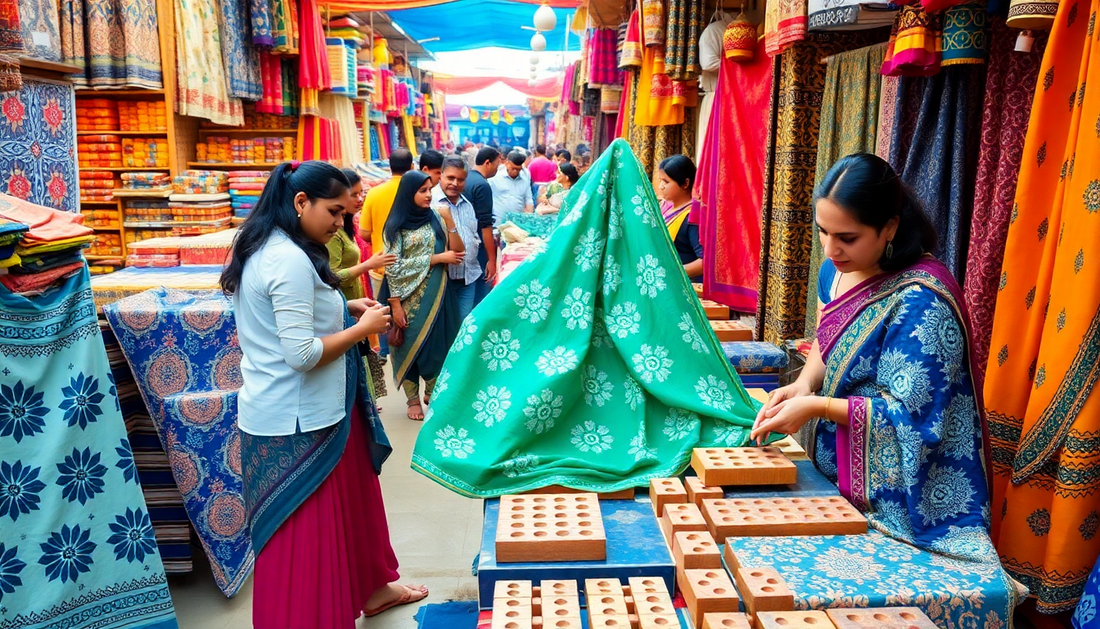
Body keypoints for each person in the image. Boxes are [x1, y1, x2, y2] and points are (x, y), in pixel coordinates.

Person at [752, 153, 996, 565]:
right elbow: (829, 339)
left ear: (889, 228)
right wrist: (805, 384)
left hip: (901, 493)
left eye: (847, 237)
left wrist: (816, 406)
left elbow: (915, 418)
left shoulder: (921, 300)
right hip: (839, 460)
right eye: (823, 232)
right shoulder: (836, 271)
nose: (831, 249)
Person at [220, 160, 427, 628]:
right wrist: (361, 329)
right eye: (334, 212)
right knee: (305, 537)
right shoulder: (288, 260)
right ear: (300, 202)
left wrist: (343, 306)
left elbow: (289, 321)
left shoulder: (274, 246)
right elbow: (302, 354)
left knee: (352, 503)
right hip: (299, 418)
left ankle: (372, 588)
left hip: (319, 409)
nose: (340, 223)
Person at [382, 170, 464, 421]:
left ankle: (431, 391)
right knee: (408, 347)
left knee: (438, 346)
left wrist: (449, 220)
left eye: (430, 189)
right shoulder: (396, 226)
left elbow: (459, 252)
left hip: (439, 296)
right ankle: (412, 400)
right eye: (422, 191)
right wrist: (395, 306)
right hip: (406, 299)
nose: (429, 195)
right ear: (409, 193)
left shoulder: (436, 218)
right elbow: (393, 267)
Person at [330, 168, 396, 401]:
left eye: (361, 193)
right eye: (354, 194)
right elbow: (333, 275)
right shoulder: (333, 233)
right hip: (343, 307)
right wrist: (369, 264)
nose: (360, 199)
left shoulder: (345, 228)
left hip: (352, 302)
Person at [360, 148, 414, 361]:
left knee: (381, 307)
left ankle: (383, 351)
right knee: (410, 307)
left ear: (389, 166)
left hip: (381, 262)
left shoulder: (374, 193)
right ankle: (409, 348)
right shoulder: (415, 191)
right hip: (411, 264)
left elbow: (364, 232)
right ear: (411, 167)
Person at [433, 157, 482, 323]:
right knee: (443, 327)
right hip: (442, 280)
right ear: (441, 176)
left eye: (460, 180)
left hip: (468, 278)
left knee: (463, 326)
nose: (455, 183)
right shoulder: (430, 202)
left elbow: (473, 234)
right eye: (450, 178)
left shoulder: (466, 204)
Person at [657, 155, 704, 282]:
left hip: (685, 285)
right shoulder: (664, 206)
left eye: (666, 182)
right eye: (660, 180)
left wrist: (672, 272)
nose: (661, 186)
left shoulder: (693, 216)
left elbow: (705, 263)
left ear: (685, 183)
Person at [466, 147, 500, 305]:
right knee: (480, 295)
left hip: (462, 245)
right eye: (497, 165)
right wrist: (492, 259)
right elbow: (485, 225)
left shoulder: (465, 179)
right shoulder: (482, 185)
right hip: (479, 248)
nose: (497, 169)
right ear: (488, 163)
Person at [489, 151, 534, 224]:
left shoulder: (525, 175)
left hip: (518, 222)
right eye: (513, 168)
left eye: (518, 169)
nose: (515, 171)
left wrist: (529, 215)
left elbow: (528, 198)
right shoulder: (494, 176)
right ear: (507, 163)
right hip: (499, 221)